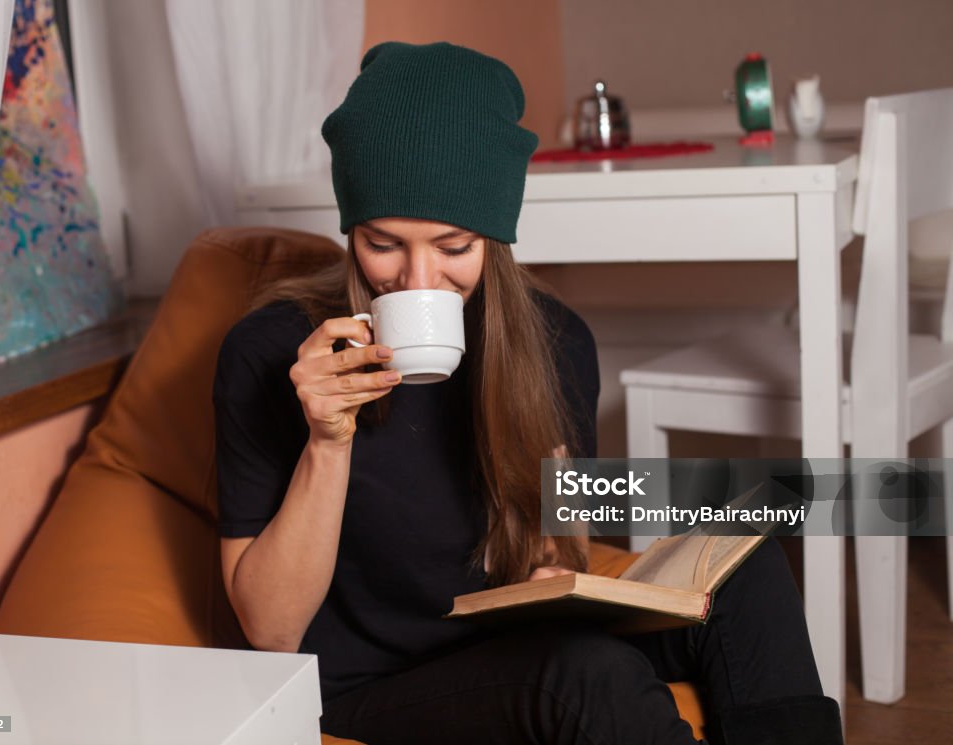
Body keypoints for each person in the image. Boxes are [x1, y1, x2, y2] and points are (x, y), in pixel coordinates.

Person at [213, 41, 843, 745]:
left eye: (454, 247)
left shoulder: (556, 342)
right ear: (350, 230)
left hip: (509, 641)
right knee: (587, 674)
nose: (417, 279)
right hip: (366, 685)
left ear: (495, 237)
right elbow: (270, 630)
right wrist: (327, 441)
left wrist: (558, 565)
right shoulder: (271, 354)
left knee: (748, 564)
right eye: (382, 242)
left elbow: (562, 542)